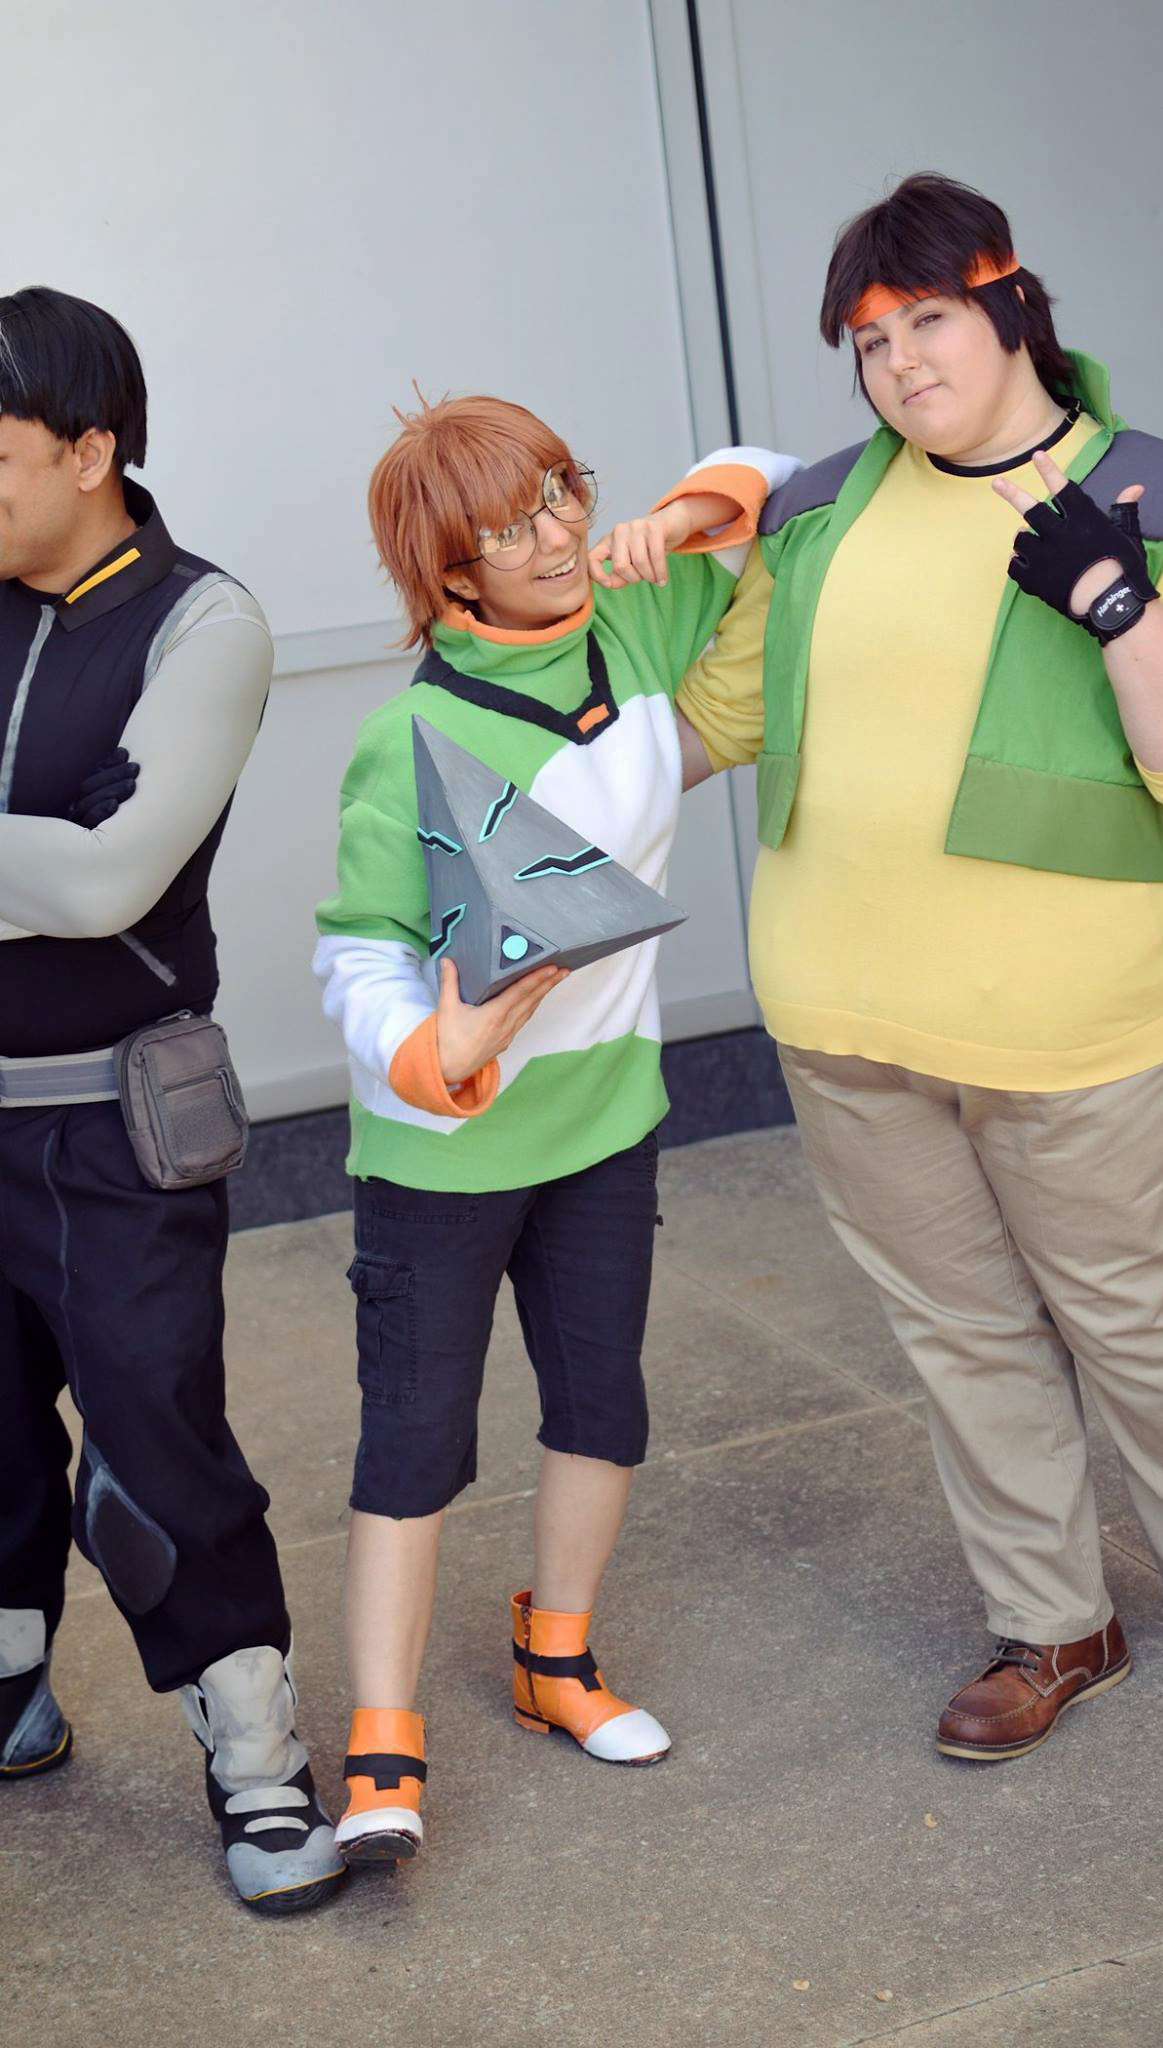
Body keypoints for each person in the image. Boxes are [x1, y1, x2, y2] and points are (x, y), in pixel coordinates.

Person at [670, 173, 1163, 1760]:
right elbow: (720, 717)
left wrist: (1118, 606)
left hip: (1069, 1027)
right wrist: (538, 675)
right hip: (843, 1013)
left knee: (1138, 1318)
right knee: (961, 1332)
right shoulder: (817, 513)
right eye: (867, 341)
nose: (898, 363)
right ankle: (1053, 1621)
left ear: (1011, 306)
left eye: (927, 320)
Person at [313, 393, 793, 1860]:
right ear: (446, 573)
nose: (556, 535)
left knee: (602, 1407)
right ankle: (381, 1743)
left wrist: (690, 515)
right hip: (445, 1152)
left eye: (560, 494)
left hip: (605, 1117)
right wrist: (430, 1050)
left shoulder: (635, 622)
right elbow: (357, 942)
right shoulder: (411, 734)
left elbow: (795, 487)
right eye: (508, 527)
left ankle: (557, 1661)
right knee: (413, 1444)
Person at [0, 287, 345, 1911]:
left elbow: (108, 880)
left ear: (92, 452)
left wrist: (63, 864)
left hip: (109, 1125)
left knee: (153, 1437)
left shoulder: (203, 623)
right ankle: (12, 1685)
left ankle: (256, 1753)